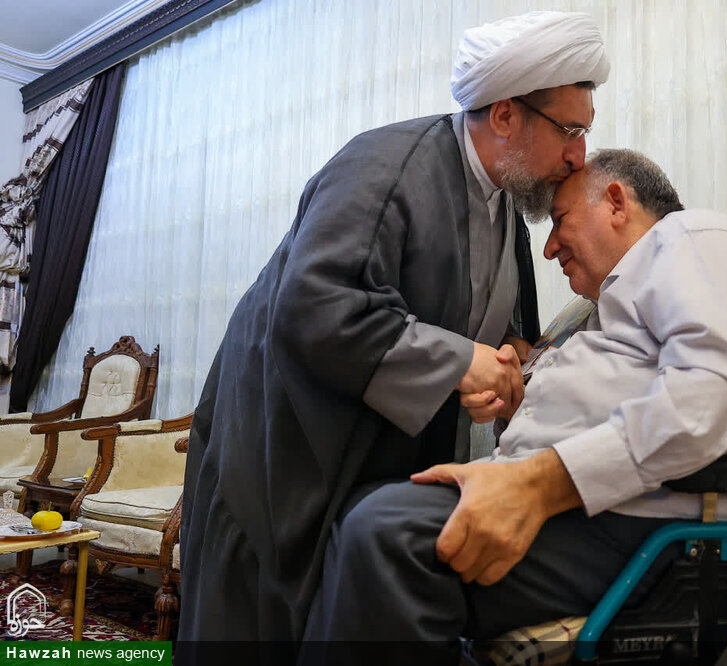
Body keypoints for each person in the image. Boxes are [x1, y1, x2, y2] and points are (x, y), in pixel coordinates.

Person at [300, 149, 727, 662]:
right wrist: (520, 400)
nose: (549, 247)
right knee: (362, 512)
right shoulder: (614, 304)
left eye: (560, 220)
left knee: (390, 536)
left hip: (694, 532)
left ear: (616, 201)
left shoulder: (697, 241)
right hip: (626, 508)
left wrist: (535, 485)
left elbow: (709, 397)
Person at [178, 11, 610, 643]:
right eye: (570, 131)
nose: (579, 156)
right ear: (504, 115)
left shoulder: (507, 206)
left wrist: (508, 360)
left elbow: (493, 329)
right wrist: (459, 363)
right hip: (282, 458)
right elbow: (315, 304)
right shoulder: (386, 164)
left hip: (375, 471)